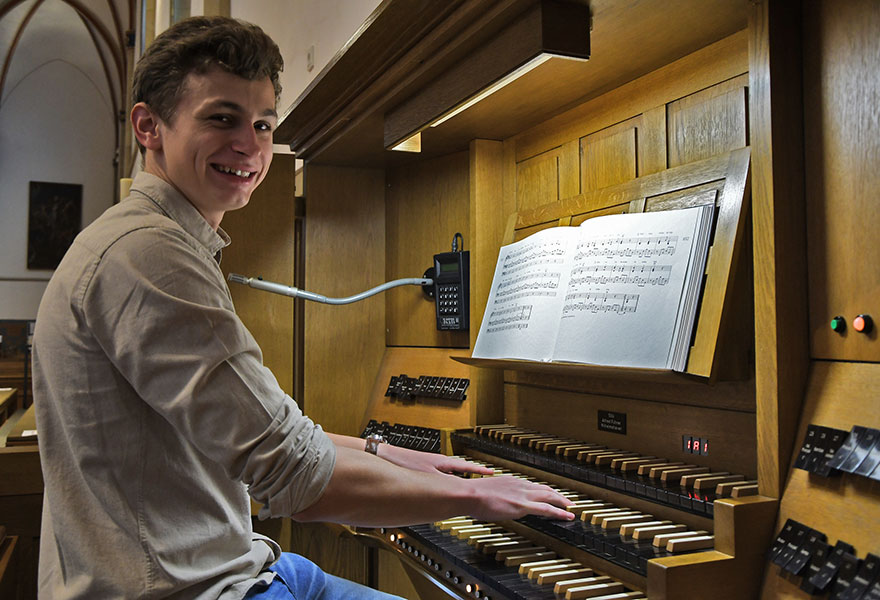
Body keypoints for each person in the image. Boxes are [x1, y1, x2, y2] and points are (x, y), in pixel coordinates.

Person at [31, 15, 575, 600]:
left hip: (241, 562)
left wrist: (387, 453)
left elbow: (274, 431)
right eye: (222, 118)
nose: (249, 144)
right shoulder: (149, 255)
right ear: (149, 126)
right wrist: (475, 496)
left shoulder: (160, 240)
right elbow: (294, 476)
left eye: (263, 124)